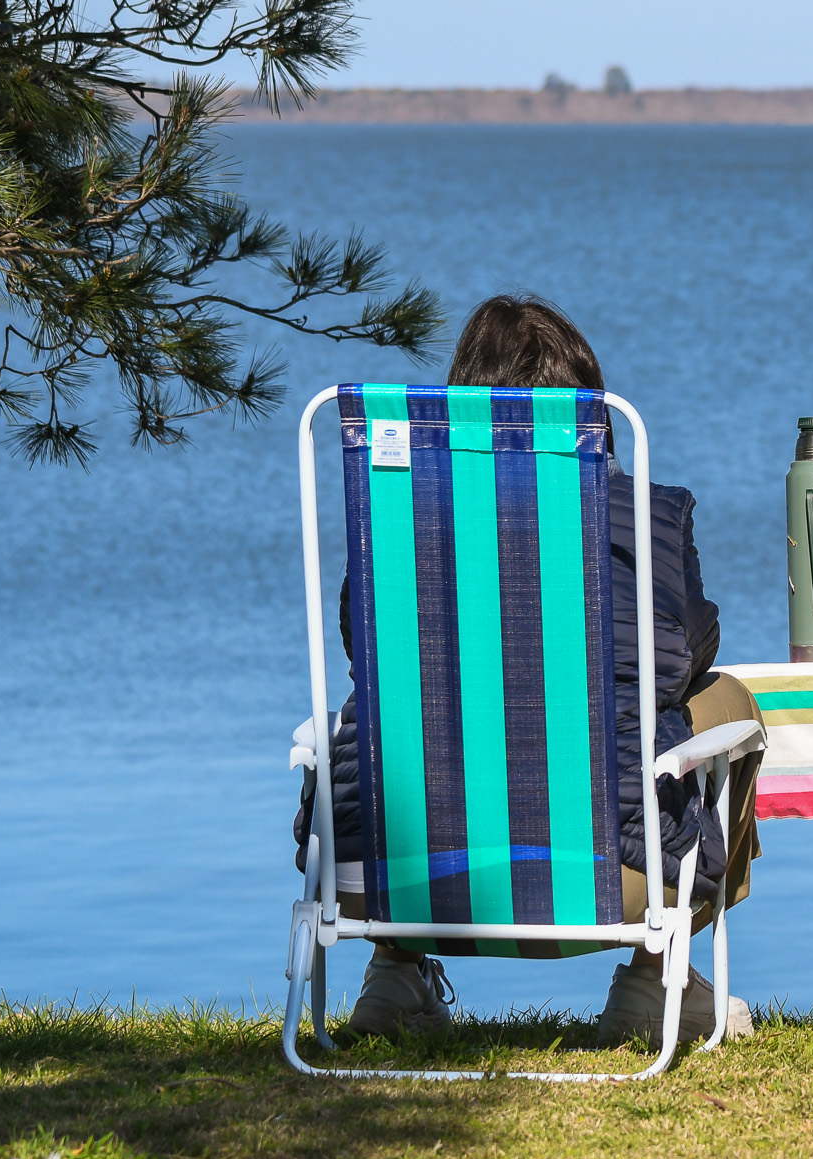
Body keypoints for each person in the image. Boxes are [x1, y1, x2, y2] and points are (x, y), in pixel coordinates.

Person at [295, 295, 762, 1046]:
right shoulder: (644, 517)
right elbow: (686, 654)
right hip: (610, 882)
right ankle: (651, 976)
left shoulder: (392, 519)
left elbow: (362, 644)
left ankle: (393, 973)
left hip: (391, 874)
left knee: (407, 702)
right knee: (730, 700)